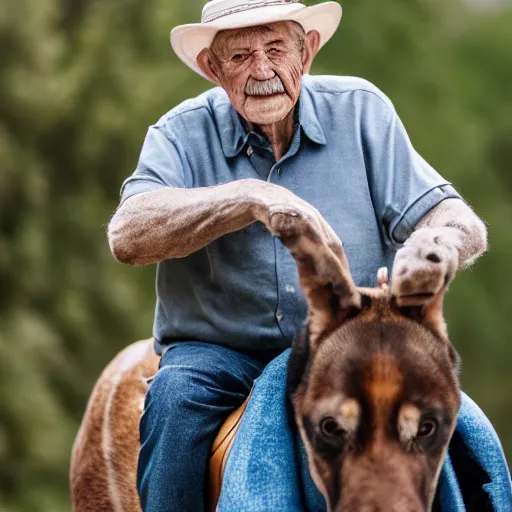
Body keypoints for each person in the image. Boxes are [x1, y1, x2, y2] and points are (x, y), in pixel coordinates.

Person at [107, 1, 487, 510]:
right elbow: (128, 234)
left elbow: (459, 221)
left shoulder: (361, 110)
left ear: (306, 52)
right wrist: (248, 199)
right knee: (173, 407)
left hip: (351, 345)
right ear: (210, 68)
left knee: (469, 435)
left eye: (275, 49)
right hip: (218, 357)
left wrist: (434, 246)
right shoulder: (179, 133)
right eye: (239, 55)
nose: (262, 71)